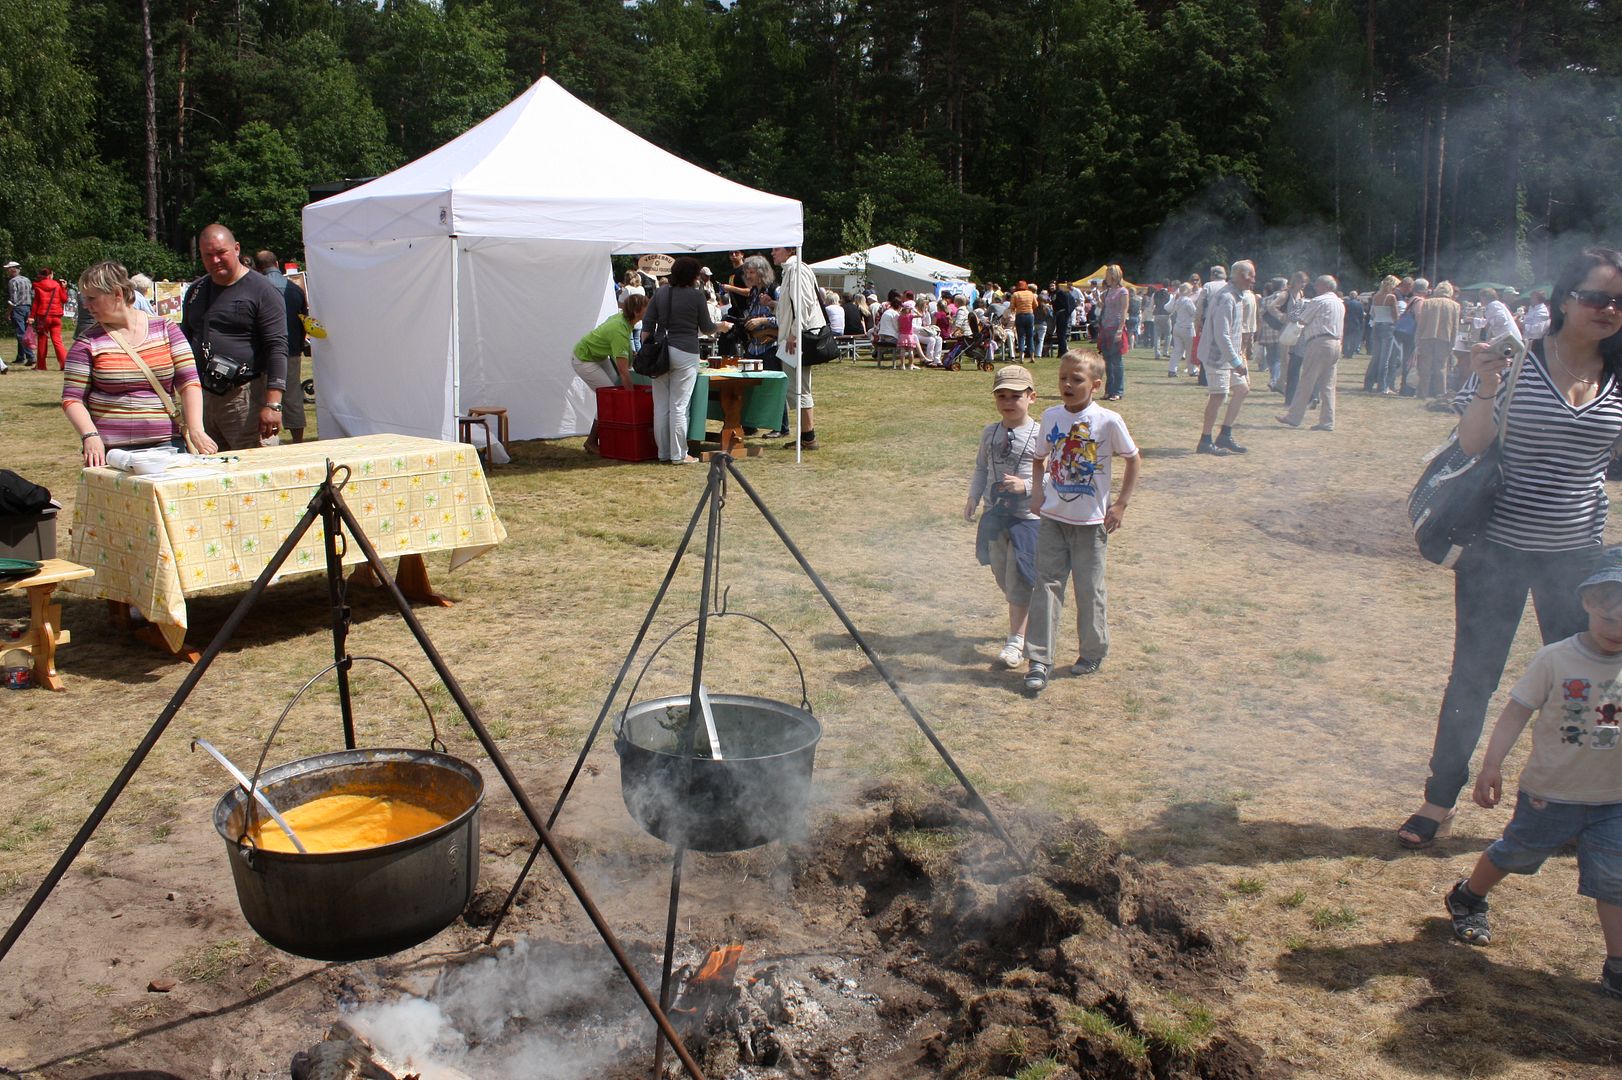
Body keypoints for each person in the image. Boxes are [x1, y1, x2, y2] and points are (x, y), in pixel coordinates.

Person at [1399, 248, 1622, 850]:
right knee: (1473, 677)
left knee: (1585, 685)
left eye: (1620, 302)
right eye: (1599, 297)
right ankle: (1437, 801)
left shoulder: (1619, 376)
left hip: (1578, 558)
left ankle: (1572, 804)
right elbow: (1473, 444)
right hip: (1498, 550)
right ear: (1564, 300)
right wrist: (1486, 384)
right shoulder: (1521, 364)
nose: (1610, 310)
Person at [1441, 553, 1622, 1003]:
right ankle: (1468, 896)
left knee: (1616, 877)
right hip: (1551, 793)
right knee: (1517, 853)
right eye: (1609, 616)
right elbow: (1517, 710)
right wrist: (1491, 764)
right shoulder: (1555, 658)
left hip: (1614, 798)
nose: (1617, 628)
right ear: (1587, 605)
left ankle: (1618, 965)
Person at [1021, 349, 1140, 692]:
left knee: (1089, 590)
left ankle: (1092, 651)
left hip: (1091, 523)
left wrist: (1120, 505)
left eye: (1077, 379)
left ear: (1096, 385)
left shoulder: (1108, 421)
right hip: (1054, 519)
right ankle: (1039, 660)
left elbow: (1133, 460)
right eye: (1063, 378)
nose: (1068, 385)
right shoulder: (1051, 416)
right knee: (1046, 585)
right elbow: (1040, 458)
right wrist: (1038, 493)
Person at [60, 260, 218, 467]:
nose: (85, 305)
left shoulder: (166, 329)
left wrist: (197, 428)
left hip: (168, 446)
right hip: (112, 455)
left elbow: (189, 383)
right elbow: (72, 399)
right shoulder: (86, 343)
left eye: (92, 298)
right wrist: (90, 436)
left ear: (117, 294)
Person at [180, 224, 288, 450]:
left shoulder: (263, 291)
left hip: (245, 396)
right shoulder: (196, 291)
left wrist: (273, 404)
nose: (215, 260)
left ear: (236, 249)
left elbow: (277, 347)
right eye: (208, 255)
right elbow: (184, 340)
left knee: (255, 471)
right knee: (209, 471)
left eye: (221, 253)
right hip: (202, 396)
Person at [964, 365, 1043, 670]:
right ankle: (1024, 611)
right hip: (994, 515)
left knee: (1020, 577)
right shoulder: (989, 432)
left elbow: (1052, 475)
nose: (1008, 402)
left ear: (1031, 397)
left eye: (1016, 396)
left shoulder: (1041, 435)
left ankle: (1016, 640)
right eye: (1002, 396)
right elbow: (981, 468)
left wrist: (1027, 486)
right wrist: (973, 496)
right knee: (1002, 573)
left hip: (1027, 519)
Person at [642, 256, 719, 464]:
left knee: (661, 406)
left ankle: (664, 453)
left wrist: (647, 349)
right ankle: (679, 455)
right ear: (693, 276)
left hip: (660, 350)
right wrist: (720, 326)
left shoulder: (661, 292)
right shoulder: (696, 297)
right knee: (679, 405)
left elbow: (647, 325)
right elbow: (707, 327)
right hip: (685, 351)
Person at [571, 292, 648, 455]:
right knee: (609, 397)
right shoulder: (619, 330)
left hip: (596, 356)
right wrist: (631, 398)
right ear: (636, 312)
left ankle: (608, 436)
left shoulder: (623, 320)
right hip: (584, 359)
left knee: (614, 392)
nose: (648, 309)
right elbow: (623, 370)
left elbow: (624, 361)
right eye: (645, 307)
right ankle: (591, 441)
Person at [1195, 260, 1255, 455]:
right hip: (1217, 355)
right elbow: (1222, 335)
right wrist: (1236, 362)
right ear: (1237, 275)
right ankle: (1205, 440)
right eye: (1249, 275)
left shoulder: (1238, 296)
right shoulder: (1227, 297)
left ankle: (1225, 435)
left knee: (1242, 389)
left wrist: (1238, 355)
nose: (1253, 280)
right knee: (1219, 395)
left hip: (1229, 355)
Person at [1276, 275, 1345, 431]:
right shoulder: (1340, 303)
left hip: (1319, 342)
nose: (1315, 288)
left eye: (1318, 285)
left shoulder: (1318, 301)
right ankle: (1327, 421)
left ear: (1324, 286)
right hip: (1335, 343)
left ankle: (1293, 417)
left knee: (1306, 381)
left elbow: (1302, 320)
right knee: (1328, 385)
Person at [255, 251, 310, 443]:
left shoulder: (257, 287)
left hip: (265, 353)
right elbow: (304, 320)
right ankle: (298, 441)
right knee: (293, 397)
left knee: (265, 398)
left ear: (257, 267)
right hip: (291, 350)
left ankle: (268, 441)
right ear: (277, 263)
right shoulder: (295, 290)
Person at [772, 244, 823, 451]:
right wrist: (773, 305)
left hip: (796, 338)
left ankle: (808, 437)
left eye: (776, 249)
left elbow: (804, 304)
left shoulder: (796, 270)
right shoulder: (791, 271)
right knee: (796, 387)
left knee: (800, 388)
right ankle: (805, 435)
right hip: (793, 337)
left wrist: (794, 334)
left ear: (789, 250)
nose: (773, 253)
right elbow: (792, 306)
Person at [1414, 281, 1462, 399]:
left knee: (1424, 367)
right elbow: (1455, 327)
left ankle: (1422, 394)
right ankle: (1441, 394)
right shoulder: (1455, 305)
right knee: (1441, 368)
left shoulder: (1427, 302)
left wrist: (1417, 340)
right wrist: (1452, 343)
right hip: (1444, 338)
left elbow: (1421, 324)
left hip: (1426, 336)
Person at [1098, 265, 1129, 401]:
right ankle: (1109, 390)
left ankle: (1118, 390)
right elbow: (1103, 307)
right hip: (1105, 327)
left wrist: (1120, 329)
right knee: (1107, 361)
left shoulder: (1123, 292)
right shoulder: (1107, 291)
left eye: (1108, 275)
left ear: (1114, 275)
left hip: (1116, 326)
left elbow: (1123, 311)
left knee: (1116, 361)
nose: (1106, 277)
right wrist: (1098, 300)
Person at [1366, 275, 1400, 393]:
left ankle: (1368, 384)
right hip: (1388, 326)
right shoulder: (1391, 297)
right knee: (1385, 359)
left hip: (1377, 325)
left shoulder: (1376, 296)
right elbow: (1395, 315)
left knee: (1375, 357)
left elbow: (1373, 313)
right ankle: (1382, 386)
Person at [30, 266, 68, 371]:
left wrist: (31, 317)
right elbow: (64, 300)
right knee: (57, 340)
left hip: (43, 317)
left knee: (42, 340)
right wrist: (64, 288)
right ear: (50, 274)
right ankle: (64, 364)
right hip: (56, 316)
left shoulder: (38, 286)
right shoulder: (57, 285)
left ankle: (41, 366)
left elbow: (36, 303)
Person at [6, 261, 33, 370]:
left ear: (13, 270)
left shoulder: (13, 281)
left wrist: (8, 312)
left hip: (18, 308)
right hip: (27, 307)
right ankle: (20, 357)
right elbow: (32, 294)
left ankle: (30, 356)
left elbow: (13, 299)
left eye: (8, 269)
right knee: (25, 333)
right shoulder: (27, 280)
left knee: (20, 333)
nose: (7, 271)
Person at [1167, 283, 1197, 377]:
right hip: (1187, 328)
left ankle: (1172, 370)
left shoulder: (1177, 300)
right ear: (1188, 291)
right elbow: (1194, 312)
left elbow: (1170, 309)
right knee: (1189, 351)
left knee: (1177, 350)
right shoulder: (1188, 301)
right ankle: (1191, 370)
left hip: (1177, 326)